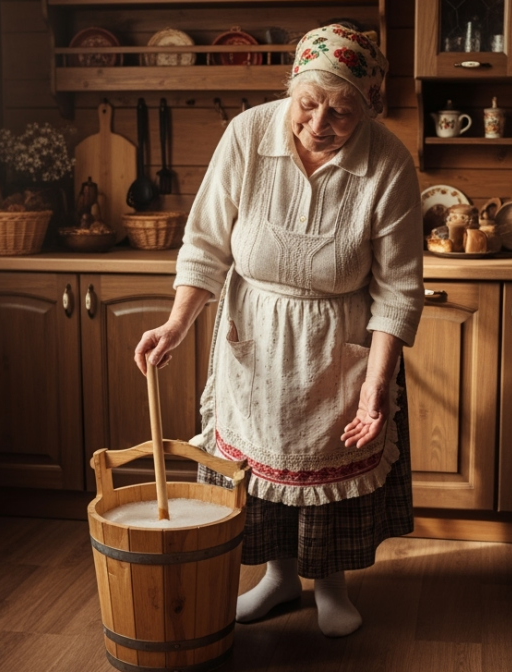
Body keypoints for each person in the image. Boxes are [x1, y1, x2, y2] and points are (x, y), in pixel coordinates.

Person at [133, 25, 423, 638]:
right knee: (262, 463)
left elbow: (398, 289)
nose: (320, 123)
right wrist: (179, 321)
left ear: (368, 105)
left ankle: (332, 586)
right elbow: (207, 242)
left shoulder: (388, 162)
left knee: (331, 458)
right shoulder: (246, 134)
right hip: (253, 334)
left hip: (338, 340)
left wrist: (376, 386)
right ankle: (278, 579)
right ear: (288, 90)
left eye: (342, 112)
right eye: (308, 105)